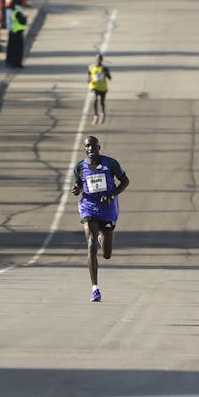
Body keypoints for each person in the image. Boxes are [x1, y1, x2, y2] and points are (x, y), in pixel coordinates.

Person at [70, 135, 129, 302]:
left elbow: (125, 181)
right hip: (89, 206)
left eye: (93, 146)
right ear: (84, 148)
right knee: (91, 244)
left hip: (108, 208)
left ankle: (102, 238)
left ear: (99, 148)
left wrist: (112, 195)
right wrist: (77, 188)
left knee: (107, 254)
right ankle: (95, 288)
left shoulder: (110, 164)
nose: (90, 149)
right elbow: (80, 184)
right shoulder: (80, 167)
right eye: (87, 146)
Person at [87, 54, 112, 124]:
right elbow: (89, 75)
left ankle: (103, 114)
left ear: (101, 60)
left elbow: (109, 78)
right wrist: (89, 82)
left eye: (99, 60)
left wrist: (106, 73)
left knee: (102, 102)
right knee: (95, 99)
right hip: (95, 86)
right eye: (97, 59)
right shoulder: (91, 67)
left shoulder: (105, 68)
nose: (98, 61)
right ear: (95, 60)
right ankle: (95, 116)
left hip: (103, 87)